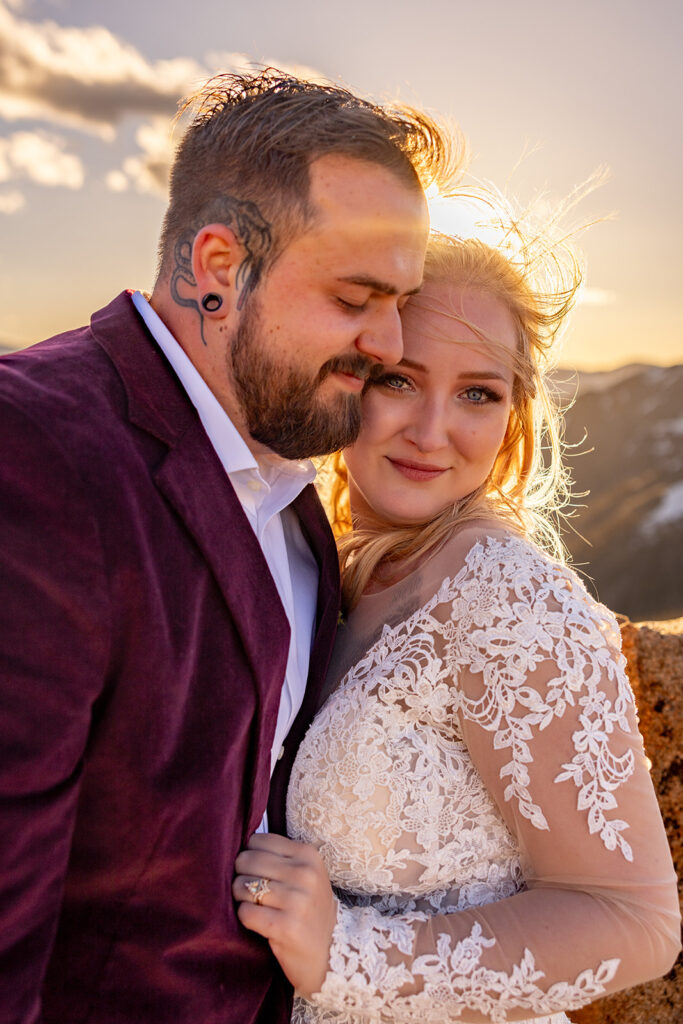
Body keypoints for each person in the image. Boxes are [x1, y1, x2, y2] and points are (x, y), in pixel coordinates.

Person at [0, 70, 457, 1023]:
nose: (390, 340)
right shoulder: (30, 451)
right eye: (354, 296)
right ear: (217, 267)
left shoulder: (292, 494)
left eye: (401, 299)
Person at [234, 230, 682, 1022]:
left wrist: (347, 955)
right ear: (345, 380)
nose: (432, 429)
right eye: (399, 380)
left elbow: (636, 921)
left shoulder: (508, 598)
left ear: (513, 420)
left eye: (478, 393)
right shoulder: (332, 571)